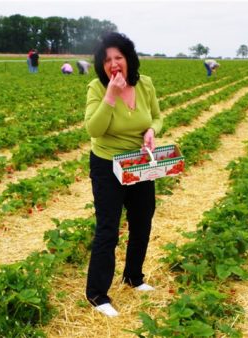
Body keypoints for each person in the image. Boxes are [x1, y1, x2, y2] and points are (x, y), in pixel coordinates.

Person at [84, 32, 163, 317]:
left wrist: (152, 130)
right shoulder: (97, 88)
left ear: (129, 59)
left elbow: (156, 116)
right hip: (107, 164)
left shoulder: (145, 85)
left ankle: (133, 277)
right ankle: (97, 294)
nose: (113, 64)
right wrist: (110, 96)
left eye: (118, 57)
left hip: (138, 161)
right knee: (108, 226)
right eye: (107, 60)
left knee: (142, 219)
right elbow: (94, 129)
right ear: (101, 65)